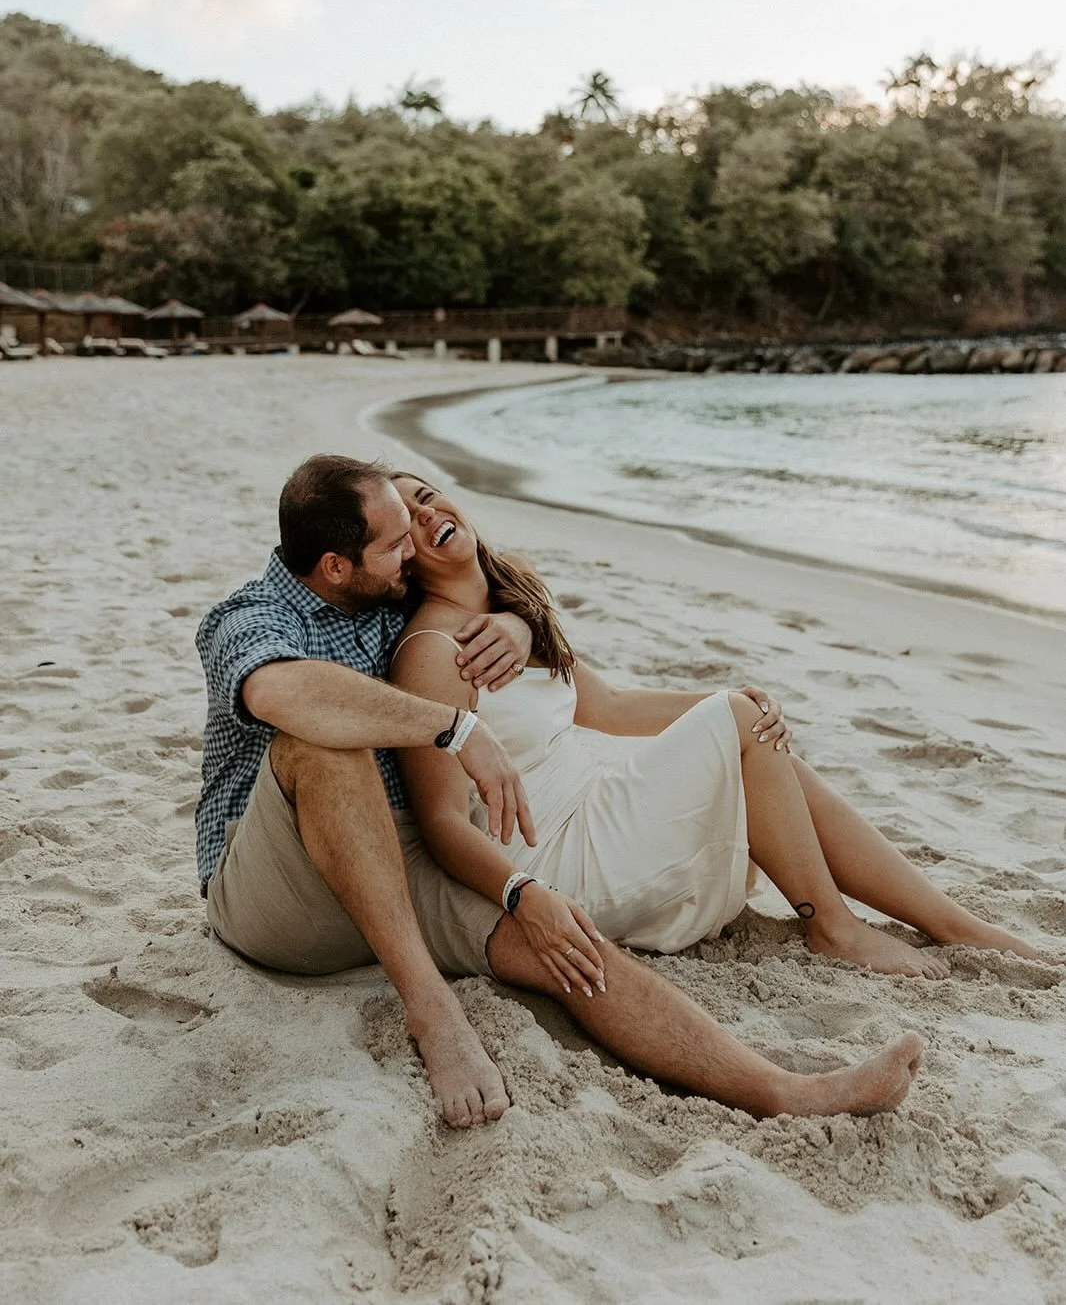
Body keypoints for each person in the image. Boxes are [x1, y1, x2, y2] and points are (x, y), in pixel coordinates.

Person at [195, 453, 928, 1129]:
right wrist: (454, 728)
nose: (409, 552)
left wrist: (517, 623)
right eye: (394, 546)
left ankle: (783, 1091)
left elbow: (468, 589)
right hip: (280, 892)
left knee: (561, 936)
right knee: (322, 745)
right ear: (334, 566)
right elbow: (285, 692)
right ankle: (433, 1012)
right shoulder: (248, 620)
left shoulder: (382, 593)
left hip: (394, 860)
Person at [388, 471, 1055, 1001]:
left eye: (426, 495)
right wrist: (523, 896)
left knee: (749, 727)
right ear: (397, 557)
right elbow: (442, 822)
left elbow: (610, 707)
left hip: (594, 809)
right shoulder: (431, 653)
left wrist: (739, 701)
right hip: (558, 859)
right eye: (405, 519)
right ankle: (832, 925)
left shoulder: (506, 602)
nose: (426, 513)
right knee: (736, 724)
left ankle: (948, 922)